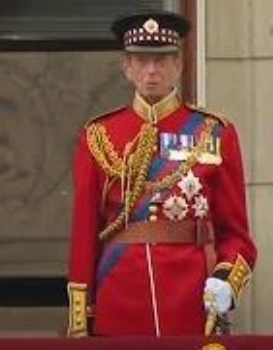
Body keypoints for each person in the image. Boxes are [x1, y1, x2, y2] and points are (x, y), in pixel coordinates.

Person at [66, 11, 257, 337]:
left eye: (162, 60)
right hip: (120, 294)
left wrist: (225, 281)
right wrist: (81, 318)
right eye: (141, 61)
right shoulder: (99, 135)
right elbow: (84, 233)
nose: (152, 71)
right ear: (126, 67)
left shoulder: (214, 133)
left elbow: (236, 234)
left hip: (190, 295)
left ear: (179, 65)